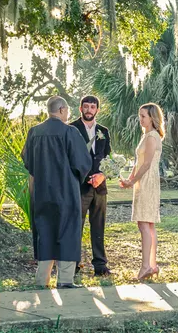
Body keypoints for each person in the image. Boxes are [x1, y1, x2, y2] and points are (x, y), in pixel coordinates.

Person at [22, 96, 91, 289]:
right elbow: (82, 163)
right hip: (66, 190)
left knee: (45, 230)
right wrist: (78, 178)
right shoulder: (70, 132)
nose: (68, 115)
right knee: (68, 230)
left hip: (42, 190)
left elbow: (28, 161)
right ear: (61, 110)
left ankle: (41, 279)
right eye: (67, 111)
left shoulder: (34, 132)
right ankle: (65, 280)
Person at [118, 102, 164, 281]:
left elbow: (146, 164)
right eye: (140, 116)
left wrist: (133, 181)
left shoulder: (152, 137)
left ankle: (147, 265)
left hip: (147, 182)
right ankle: (152, 265)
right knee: (147, 224)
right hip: (142, 181)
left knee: (145, 224)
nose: (140, 119)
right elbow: (139, 162)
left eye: (143, 116)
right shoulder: (146, 136)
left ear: (152, 117)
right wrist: (130, 179)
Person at [70, 95, 112, 277]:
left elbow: (108, 158)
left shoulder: (104, 131)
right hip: (79, 187)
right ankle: (73, 265)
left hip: (100, 187)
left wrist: (102, 176)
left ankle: (100, 266)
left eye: (92, 107)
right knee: (75, 226)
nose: (89, 110)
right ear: (80, 108)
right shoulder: (71, 129)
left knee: (99, 226)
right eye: (86, 106)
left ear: (97, 110)